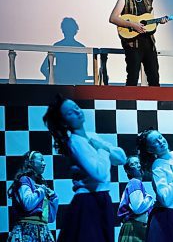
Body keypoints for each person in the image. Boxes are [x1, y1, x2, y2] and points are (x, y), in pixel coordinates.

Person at [43, 96, 127, 242]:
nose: (77, 111)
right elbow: (99, 173)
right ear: (64, 122)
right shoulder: (75, 142)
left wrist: (103, 148)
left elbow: (121, 158)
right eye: (70, 113)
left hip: (101, 199)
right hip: (88, 201)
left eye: (76, 107)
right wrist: (104, 149)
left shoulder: (91, 136)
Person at [109, 0, 166, 86]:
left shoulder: (149, 1)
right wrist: (132, 25)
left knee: (154, 78)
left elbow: (150, 24)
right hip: (132, 45)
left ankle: (155, 103)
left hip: (149, 45)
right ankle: (129, 103)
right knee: (132, 77)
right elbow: (113, 18)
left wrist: (159, 22)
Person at [7, 150, 59, 242]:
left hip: (42, 230)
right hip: (27, 230)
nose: (44, 163)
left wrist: (53, 198)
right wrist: (41, 190)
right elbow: (28, 204)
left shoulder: (40, 184)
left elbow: (50, 218)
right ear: (30, 163)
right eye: (41, 160)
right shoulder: (24, 180)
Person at [117, 156, 155, 242]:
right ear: (128, 170)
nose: (138, 165)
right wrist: (150, 198)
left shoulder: (135, 184)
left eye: (138, 162)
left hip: (135, 228)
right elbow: (137, 208)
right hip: (134, 229)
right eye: (133, 164)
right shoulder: (134, 182)